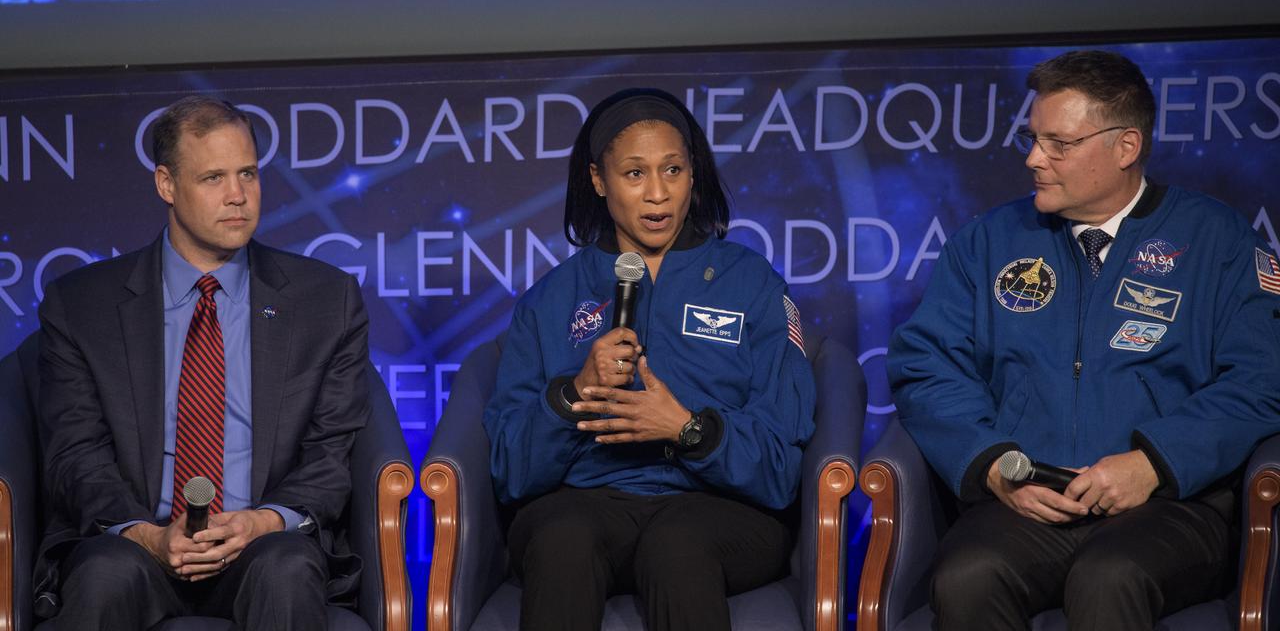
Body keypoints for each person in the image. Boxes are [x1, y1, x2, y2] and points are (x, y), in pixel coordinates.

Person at [887, 49, 1280, 630]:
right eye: (1033, 138)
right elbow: (926, 367)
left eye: (1058, 144)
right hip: (1027, 500)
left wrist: (1153, 462)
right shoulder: (989, 241)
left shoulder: (1215, 239)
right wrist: (994, 463)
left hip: (1166, 504)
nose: (1033, 159)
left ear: (1124, 147)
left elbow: (1262, 379)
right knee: (966, 577)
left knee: (1107, 578)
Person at [482, 88, 816, 630]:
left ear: (693, 176)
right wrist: (574, 396)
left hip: (719, 508)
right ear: (598, 180)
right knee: (562, 539)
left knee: (676, 546)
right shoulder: (549, 300)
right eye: (635, 174)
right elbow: (510, 475)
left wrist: (689, 430)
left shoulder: (753, 284)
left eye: (674, 170)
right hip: (585, 502)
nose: (658, 195)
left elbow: (782, 469)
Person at [35, 96, 371, 630]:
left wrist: (261, 522)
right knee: (102, 577)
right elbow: (75, 455)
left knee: (287, 567)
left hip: (260, 546)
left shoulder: (325, 301)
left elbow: (331, 455)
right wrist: (148, 535)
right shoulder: (81, 306)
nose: (238, 196)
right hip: (136, 544)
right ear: (166, 185)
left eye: (248, 174)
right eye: (213, 177)